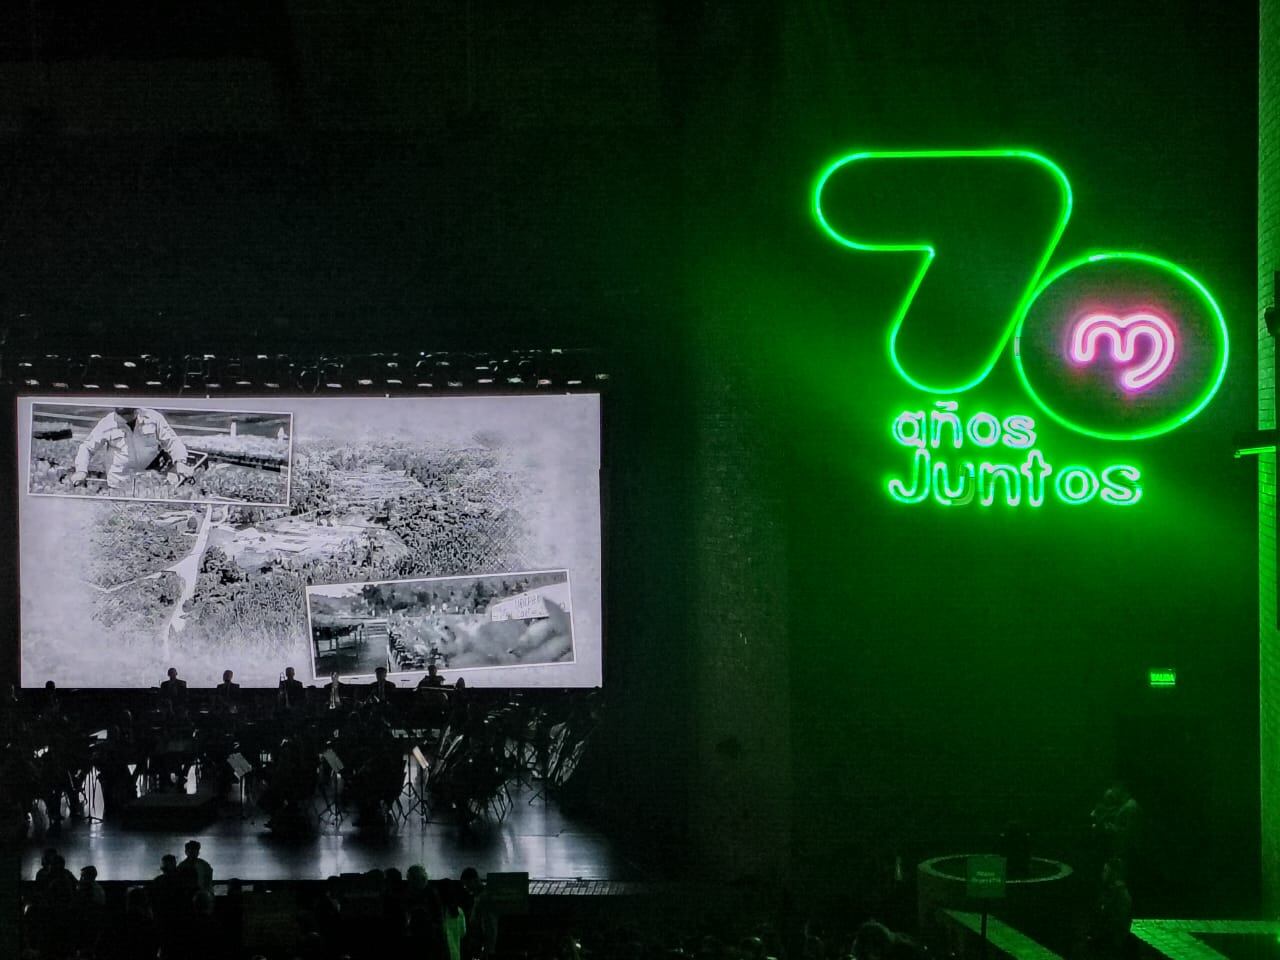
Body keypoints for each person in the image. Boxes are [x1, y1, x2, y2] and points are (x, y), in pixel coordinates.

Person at [69, 405, 193, 491]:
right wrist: (81, 471)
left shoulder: (154, 418)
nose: (124, 420)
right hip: (119, 487)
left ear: (136, 410)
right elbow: (87, 448)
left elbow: (172, 441)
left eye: (128, 415)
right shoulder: (106, 423)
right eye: (121, 417)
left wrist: (180, 462)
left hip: (152, 484)